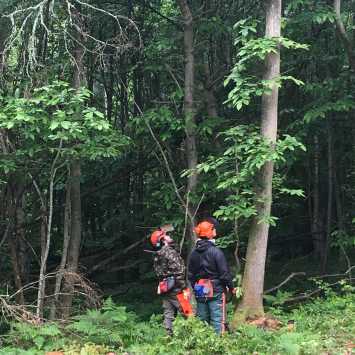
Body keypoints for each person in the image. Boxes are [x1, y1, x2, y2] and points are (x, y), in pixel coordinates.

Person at [188, 218, 235, 334]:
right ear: (209, 233)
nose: (215, 230)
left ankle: (203, 343)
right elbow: (224, 274)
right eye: (213, 229)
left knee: (202, 319)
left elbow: (190, 275)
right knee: (217, 319)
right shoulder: (216, 252)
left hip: (200, 288)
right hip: (216, 289)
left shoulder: (193, 253)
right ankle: (218, 346)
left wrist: (196, 286)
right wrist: (231, 287)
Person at [150, 228, 193, 336]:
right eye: (166, 235)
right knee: (188, 313)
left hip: (165, 288)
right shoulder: (169, 253)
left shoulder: (157, 254)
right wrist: (183, 288)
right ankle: (195, 335)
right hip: (177, 289)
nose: (169, 236)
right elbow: (179, 271)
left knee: (168, 314)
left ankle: (168, 338)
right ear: (163, 240)